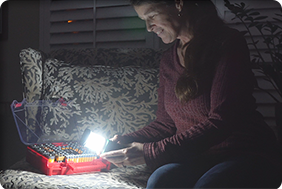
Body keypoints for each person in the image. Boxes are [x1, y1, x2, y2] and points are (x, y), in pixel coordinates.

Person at [100, 0, 281, 188]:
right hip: (197, 155)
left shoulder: (227, 43)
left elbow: (221, 121)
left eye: (152, 16)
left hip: (243, 151)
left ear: (178, 4)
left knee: (209, 185)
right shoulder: (168, 61)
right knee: (160, 180)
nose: (148, 27)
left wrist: (150, 152)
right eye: (144, 20)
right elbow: (166, 124)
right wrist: (125, 140)